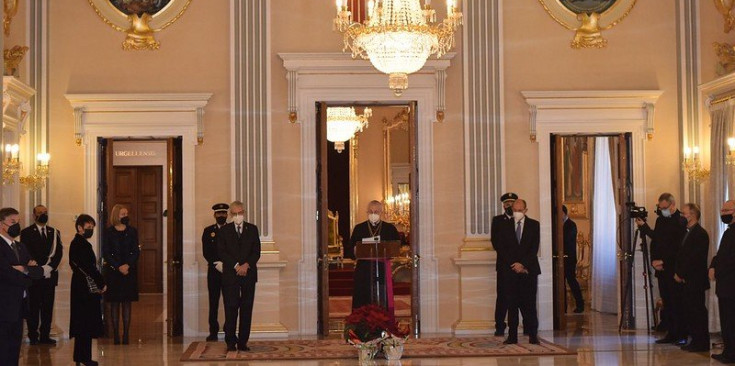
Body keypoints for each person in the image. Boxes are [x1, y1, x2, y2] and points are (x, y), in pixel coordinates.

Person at [636, 193, 687, 343]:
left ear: (672, 205)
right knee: (667, 302)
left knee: (677, 302)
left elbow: (677, 247)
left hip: (673, 269)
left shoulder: (681, 220)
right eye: (660, 207)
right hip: (661, 269)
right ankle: (670, 333)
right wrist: (654, 261)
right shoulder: (660, 220)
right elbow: (657, 241)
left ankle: (681, 334)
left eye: (664, 207)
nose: (662, 210)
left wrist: (663, 261)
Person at [0, 207, 42, 366]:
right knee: (3, 349)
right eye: (12, 222)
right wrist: (27, 271)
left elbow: (37, 272)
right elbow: (5, 273)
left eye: (18, 222)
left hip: (20, 304)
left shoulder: (21, 247)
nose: (16, 225)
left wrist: (23, 268)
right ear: (1, 224)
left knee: (15, 348)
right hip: (3, 304)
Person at [217, 201, 261, 352]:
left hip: (248, 275)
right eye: (235, 213)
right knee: (231, 308)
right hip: (231, 275)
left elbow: (256, 252)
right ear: (230, 215)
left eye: (240, 213)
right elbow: (222, 252)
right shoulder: (224, 231)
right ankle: (230, 341)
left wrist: (246, 265)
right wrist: (236, 265)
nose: (238, 216)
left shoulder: (252, 229)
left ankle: (243, 342)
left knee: (246, 308)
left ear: (244, 212)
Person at [497, 199, 540, 345]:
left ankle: (533, 335)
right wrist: (513, 264)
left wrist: (522, 264)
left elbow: (533, 249)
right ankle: (512, 336)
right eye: (515, 210)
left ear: (525, 210)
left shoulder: (534, 225)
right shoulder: (504, 226)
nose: (517, 212)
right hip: (510, 271)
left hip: (528, 271)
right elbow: (502, 248)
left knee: (529, 304)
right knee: (512, 305)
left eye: (520, 210)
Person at [21, 205, 63, 345]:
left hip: (49, 277)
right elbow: (26, 254)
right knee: (33, 308)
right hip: (34, 277)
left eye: (45, 212)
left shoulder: (54, 232)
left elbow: (58, 253)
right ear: (34, 215)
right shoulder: (26, 233)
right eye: (40, 213)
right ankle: (33, 336)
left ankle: (45, 336)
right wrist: (39, 269)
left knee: (47, 307)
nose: (43, 215)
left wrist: (48, 268)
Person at [69, 214, 106, 366]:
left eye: (92, 227)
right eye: (88, 227)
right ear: (79, 227)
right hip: (84, 288)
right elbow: (88, 267)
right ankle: (83, 358)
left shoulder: (78, 243)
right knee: (84, 322)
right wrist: (101, 281)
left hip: (80, 285)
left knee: (83, 323)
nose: (90, 230)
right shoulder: (81, 244)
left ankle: (81, 357)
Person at [350, 200, 401, 311]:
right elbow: (351, 249)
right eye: (371, 211)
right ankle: (361, 322)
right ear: (367, 212)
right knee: (363, 296)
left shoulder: (389, 229)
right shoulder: (359, 228)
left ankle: (383, 321)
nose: (373, 214)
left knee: (382, 296)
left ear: (381, 213)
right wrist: (355, 249)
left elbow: (396, 247)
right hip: (364, 269)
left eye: (376, 211)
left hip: (382, 268)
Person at [672, 203, 710, 352]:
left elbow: (694, 258)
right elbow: (681, 255)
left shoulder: (700, 233)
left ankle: (701, 342)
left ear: (692, 215)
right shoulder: (687, 232)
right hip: (688, 281)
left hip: (695, 280)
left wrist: (680, 274)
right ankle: (695, 340)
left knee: (697, 312)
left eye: (684, 213)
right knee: (690, 312)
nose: (681, 216)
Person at [102, 204, 140, 345]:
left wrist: (127, 265)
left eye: (126, 214)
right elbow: (106, 252)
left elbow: (136, 251)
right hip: (114, 272)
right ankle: (116, 335)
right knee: (114, 303)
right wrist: (118, 266)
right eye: (123, 214)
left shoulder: (132, 231)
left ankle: (126, 334)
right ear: (116, 215)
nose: (125, 216)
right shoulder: (109, 232)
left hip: (128, 271)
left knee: (126, 303)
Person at [710, 200, 735, 363]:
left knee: (731, 322)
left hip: (731, 285)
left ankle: (731, 354)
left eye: (727, 210)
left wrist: (717, 269)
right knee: (726, 322)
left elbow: (731, 260)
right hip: (724, 285)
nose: (723, 213)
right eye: (722, 210)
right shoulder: (728, 232)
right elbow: (720, 255)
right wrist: (712, 265)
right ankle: (728, 351)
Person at [491, 192, 517, 336]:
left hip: (520, 266)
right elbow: (497, 243)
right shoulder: (498, 221)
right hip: (504, 266)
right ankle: (500, 326)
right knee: (502, 297)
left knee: (520, 296)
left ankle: (520, 326)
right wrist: (511, 261)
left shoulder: (521, 220)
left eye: (512, 203)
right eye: (507, 204)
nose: (509, 206)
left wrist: (519, 262)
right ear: (503, 205)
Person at [202, 203, 229, 342]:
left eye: (224, 213)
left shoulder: (232, 230)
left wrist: (226, 264)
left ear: (227, 215)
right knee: (213, 302)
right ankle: (213, 332)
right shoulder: (208, 231)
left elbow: (235, 250)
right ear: (214, 215)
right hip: (213, 271)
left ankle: (228, 330)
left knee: (229, 302)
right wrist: (215, 263)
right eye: (219, 214)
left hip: (229, 271)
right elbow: (206, 251)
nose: (221, 216)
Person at [562, 205, 584, 313]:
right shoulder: (558, 224)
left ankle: (580, 305)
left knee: (571, 281)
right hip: (560, 258)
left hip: (569, 258)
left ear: (564, 213)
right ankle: (563, 307)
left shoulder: (571, 225)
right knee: (560, 283)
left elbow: (568, 241)